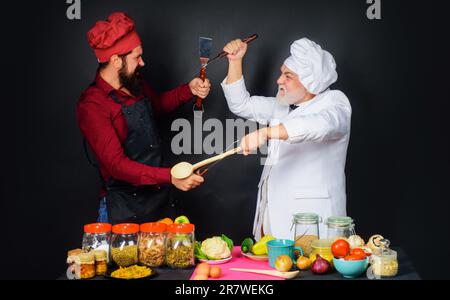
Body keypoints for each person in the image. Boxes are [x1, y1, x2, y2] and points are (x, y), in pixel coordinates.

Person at [77, 12, 210, 224]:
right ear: (115, 61)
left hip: (161, 202)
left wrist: (189, 89)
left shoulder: (133, 82)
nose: (142, 63)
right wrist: (170, 177)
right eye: (136, 57)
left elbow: (155, 106)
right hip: (124, 210)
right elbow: (117, 166)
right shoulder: (92, 106)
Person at [221, 37, 352, 239]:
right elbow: (241, 104)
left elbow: (318, 125)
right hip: (272, 219)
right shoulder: (282, 105)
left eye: (287, 76)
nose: (279, 80)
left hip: (314, 225)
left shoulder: (335, 103)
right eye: (282, 73)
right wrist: (235, 61)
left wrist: (266, 132)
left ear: (310, 83)